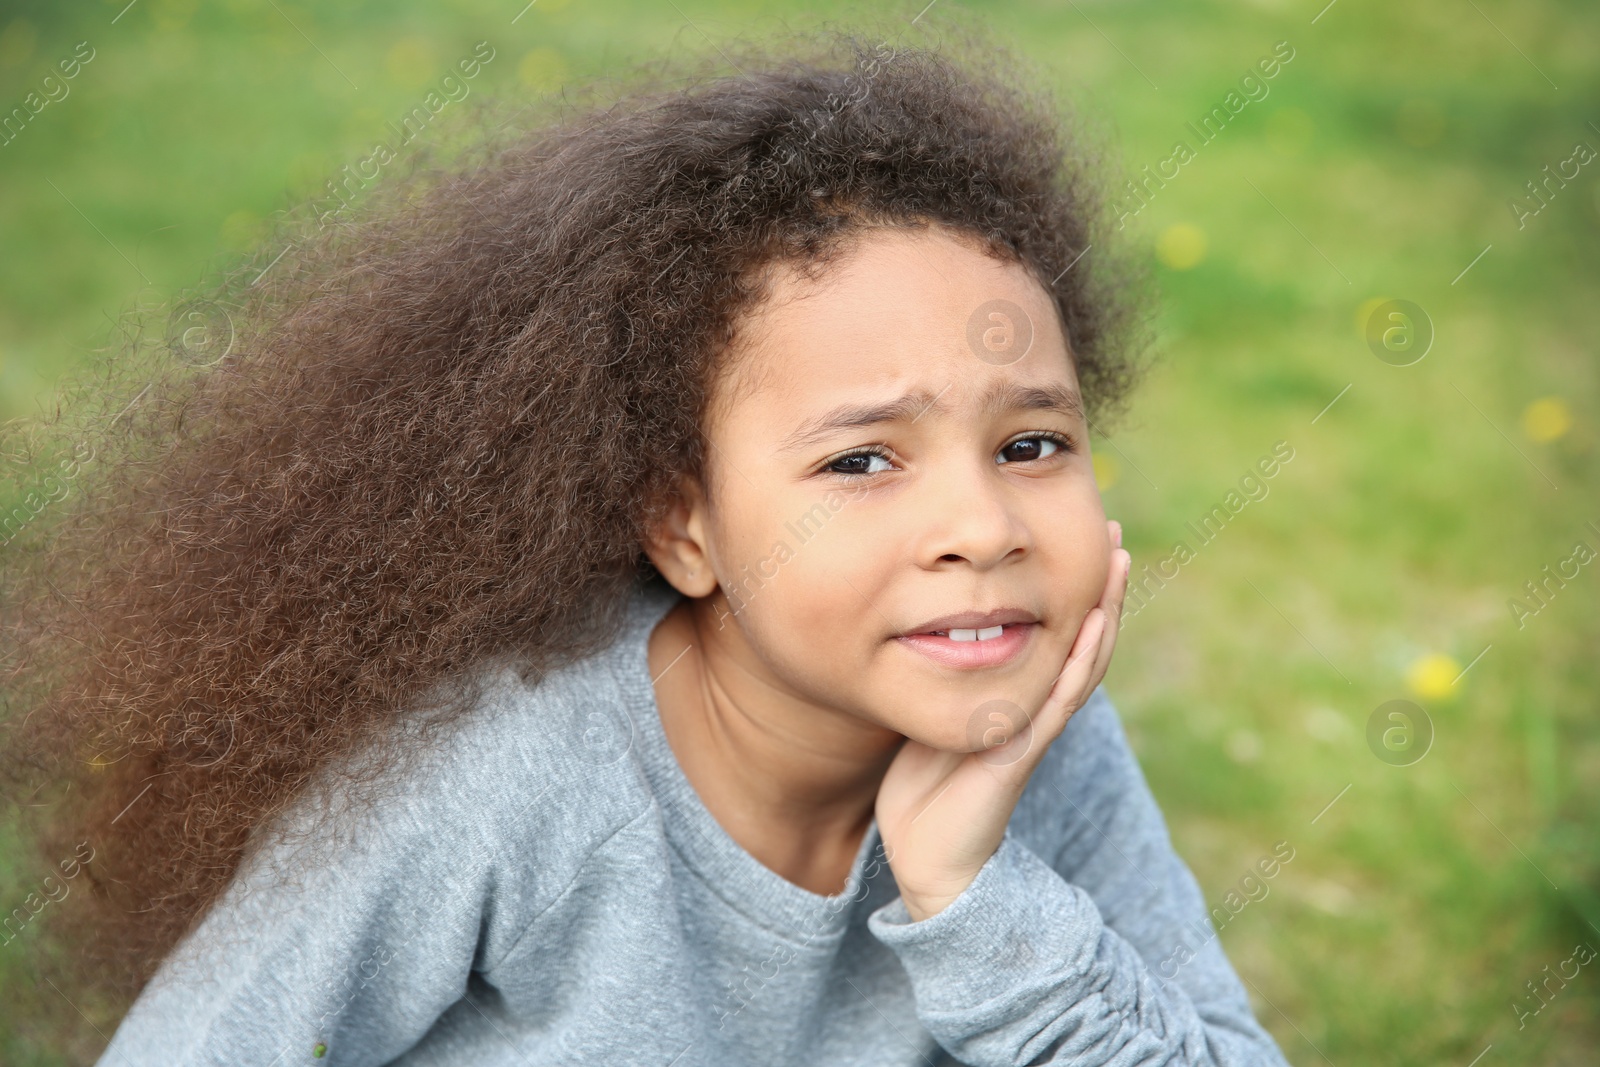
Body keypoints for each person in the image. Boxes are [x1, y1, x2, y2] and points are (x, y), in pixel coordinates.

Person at [2, 29, 1292, 1067]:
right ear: (684, 528)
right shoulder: (504, 778)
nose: (985, 529)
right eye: (861, 461)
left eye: (1031, 445)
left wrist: (972, 895)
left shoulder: (1037, 737)